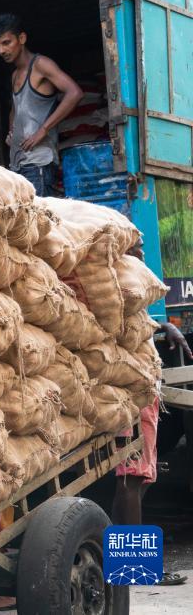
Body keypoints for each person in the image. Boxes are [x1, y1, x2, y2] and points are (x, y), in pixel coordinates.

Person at [111, 240, 192, 587]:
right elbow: (123, 325)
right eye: (137, 247)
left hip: (136, 393)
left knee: (135, 480)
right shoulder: (121, 284)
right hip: (131, 395)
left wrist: (163, 327)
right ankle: (139, 569)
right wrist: (162, 327)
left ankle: (122, 565)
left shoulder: (124, 286)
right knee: (132, 479)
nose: (144, 252)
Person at [0, 13, 82, 197]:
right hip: (18, 164)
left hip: (39, 163)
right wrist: (11, 132)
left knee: (37, 222)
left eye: (6, 43)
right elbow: (16, 109)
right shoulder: (15, 74)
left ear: (21, 38)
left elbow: (75, 93)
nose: (1, 50)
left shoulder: (41, 65)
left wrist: (43, 130)